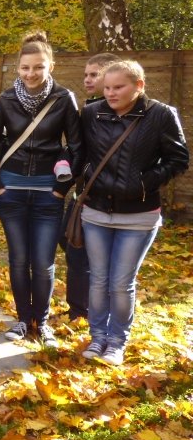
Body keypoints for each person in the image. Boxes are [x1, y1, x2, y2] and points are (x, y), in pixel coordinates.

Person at [79, 60, 188, 365]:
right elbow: (79, 151)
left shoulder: (161, 115)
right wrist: (83, 174)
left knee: (121, 283)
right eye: (107, 87)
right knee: (98, 279)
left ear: (139, 86)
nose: (110, 93)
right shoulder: (91, 112)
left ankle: (116, 342)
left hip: (139, 216)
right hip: (96, 211)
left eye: (118, 87)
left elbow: (178, 159)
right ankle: (97, 337)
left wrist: (143, 182)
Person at [0, 31, 82, 348]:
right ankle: (23, 320)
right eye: (25, 68)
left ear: (50, 66)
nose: (31, 73)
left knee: (44, 262)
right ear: (18, 68)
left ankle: (43, 323)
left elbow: (77, 148)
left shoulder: (63, 99)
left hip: (48, 192)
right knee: (19, 259)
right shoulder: (7, 99)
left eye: (38, 67)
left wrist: (61, 189)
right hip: (11, 191)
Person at [59, 53, 118, 321]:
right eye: (86, 74)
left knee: (80, 254)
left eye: (94, 74)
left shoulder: (122, 113)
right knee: (67, 240)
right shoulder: (89, 109)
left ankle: (81, 312)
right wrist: (64, 161)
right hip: (82, 194)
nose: (87, 80)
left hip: (106, 198)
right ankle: (84, 307)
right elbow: (78, 147)